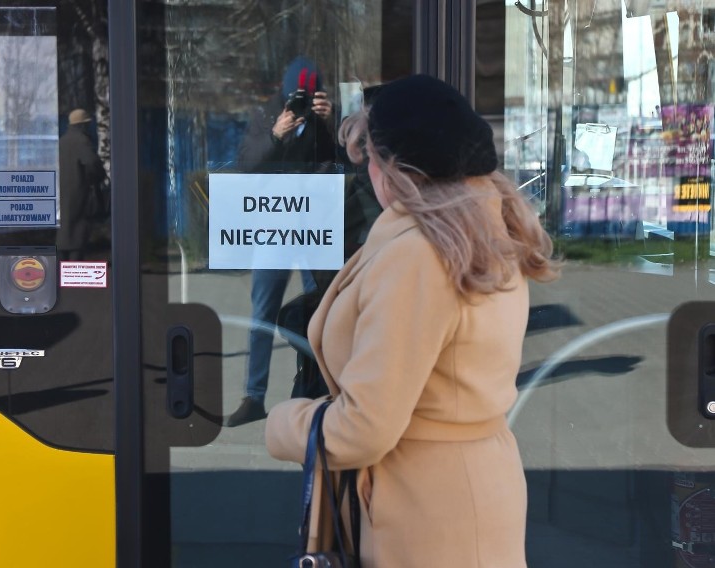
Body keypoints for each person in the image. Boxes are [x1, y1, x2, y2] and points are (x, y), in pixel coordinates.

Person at [265, 74, 559, 567]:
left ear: (393, 169)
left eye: (369, 160)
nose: (367, 174)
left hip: (426, 510)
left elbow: (364, 427)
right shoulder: (482, 232)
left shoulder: (418, 255)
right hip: (469, 491)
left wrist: (285, 424)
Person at [226, 56, 337, 427]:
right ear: (285, 92)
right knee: (263, 314)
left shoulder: (326, 119)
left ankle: (319, 388)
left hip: (316, 227)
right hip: (273, 224)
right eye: (298, 96)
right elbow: (246, 166)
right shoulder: (265, 116)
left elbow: (344, 162)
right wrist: (275, 134)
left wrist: (329, 123)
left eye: (310, 96)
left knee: (322, 312)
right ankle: (254, 397)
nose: (302, 104)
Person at [57, 108, 105, 261]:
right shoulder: (81, 140)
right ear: (82, 125)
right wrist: (98, 177)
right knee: (78, 231)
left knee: (66, 229)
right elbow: (92, 162)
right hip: (79, 191)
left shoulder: (62, 140)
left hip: (64, 192)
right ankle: (73, 270)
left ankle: (61, 267)